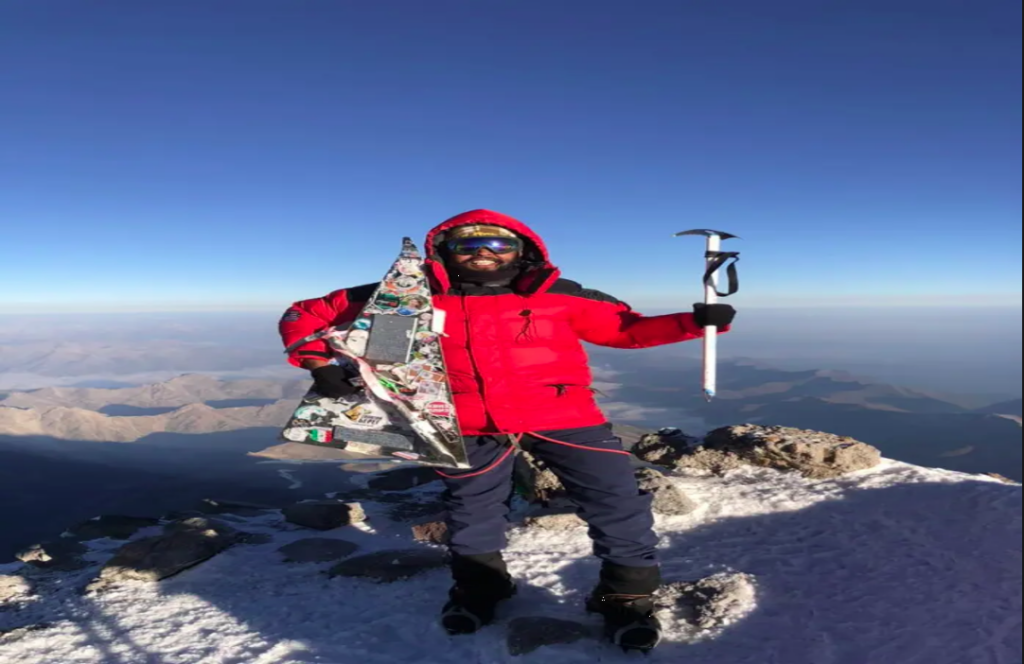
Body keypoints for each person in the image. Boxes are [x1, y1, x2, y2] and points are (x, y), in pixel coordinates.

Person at [278, 209, 735, 650]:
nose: (483, 252)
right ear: (443, 248)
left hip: (564, 416)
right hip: (461, 423)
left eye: (498, 243)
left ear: (523, 250)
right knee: (472, 513)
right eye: (467, 243)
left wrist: (694, 323)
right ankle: (480, 591)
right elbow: (303, 314)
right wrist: (318, 363)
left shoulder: (562, 294)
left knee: (617, 502)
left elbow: (625, 329)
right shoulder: (404, 294)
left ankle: (626, 597)